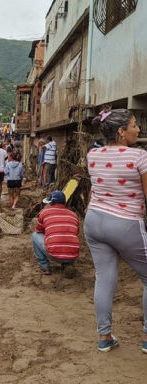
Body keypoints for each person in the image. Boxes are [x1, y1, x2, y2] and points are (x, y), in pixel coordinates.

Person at [84, 109, 147, 353]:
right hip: (125, 224)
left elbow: (95, 188)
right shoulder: (139, 157)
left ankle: (104, 337)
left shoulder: (93, 155)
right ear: (121, 132)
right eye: (134, 125)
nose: (138, 129)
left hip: (94, 221)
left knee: (104, 277)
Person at [32, 190, 80, 275]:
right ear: (64, 202)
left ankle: (44, 265)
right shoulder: (74, 215)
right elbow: (76, 233)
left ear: (50, 203)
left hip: (53, 254)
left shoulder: (45, 213)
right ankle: (68, 264)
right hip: (73, 255)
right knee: (69, 237)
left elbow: (38, 230)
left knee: (34, 235)